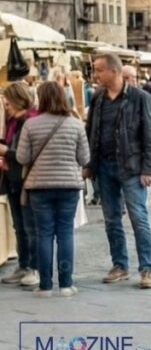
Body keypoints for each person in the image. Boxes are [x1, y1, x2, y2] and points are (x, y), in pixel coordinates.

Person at [85, 53, 151, 289]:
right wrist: (89, 164)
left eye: (98, 70)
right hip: (105, 167)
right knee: (111, 219)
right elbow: (91, 132)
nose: (94, 75)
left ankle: (147, 269)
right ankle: (120, 265)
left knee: (138, 217)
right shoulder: (98, 98)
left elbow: (150, 136)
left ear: (113, 72)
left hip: (132, 167)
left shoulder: (141, 98)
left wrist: (148, 168)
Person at [17, 81, 90, 297]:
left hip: (39, 186)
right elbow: (84, 158)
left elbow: (22, 157)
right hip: (68, 186)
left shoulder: (31, 124)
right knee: (65, 233)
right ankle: (66, 285)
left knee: (44, 234)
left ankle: (45, 286)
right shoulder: (75, 124)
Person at [0, 82, 40, 288]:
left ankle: (34, 267)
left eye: (7, 102)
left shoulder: (28, 121)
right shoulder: (12, 121)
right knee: (19, 225)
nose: (5, 106)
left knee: (30, 226)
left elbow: (25, 155)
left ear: (17, 99)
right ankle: (24, 264)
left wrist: (4, 151)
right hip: (13, 179)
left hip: (27, 180)